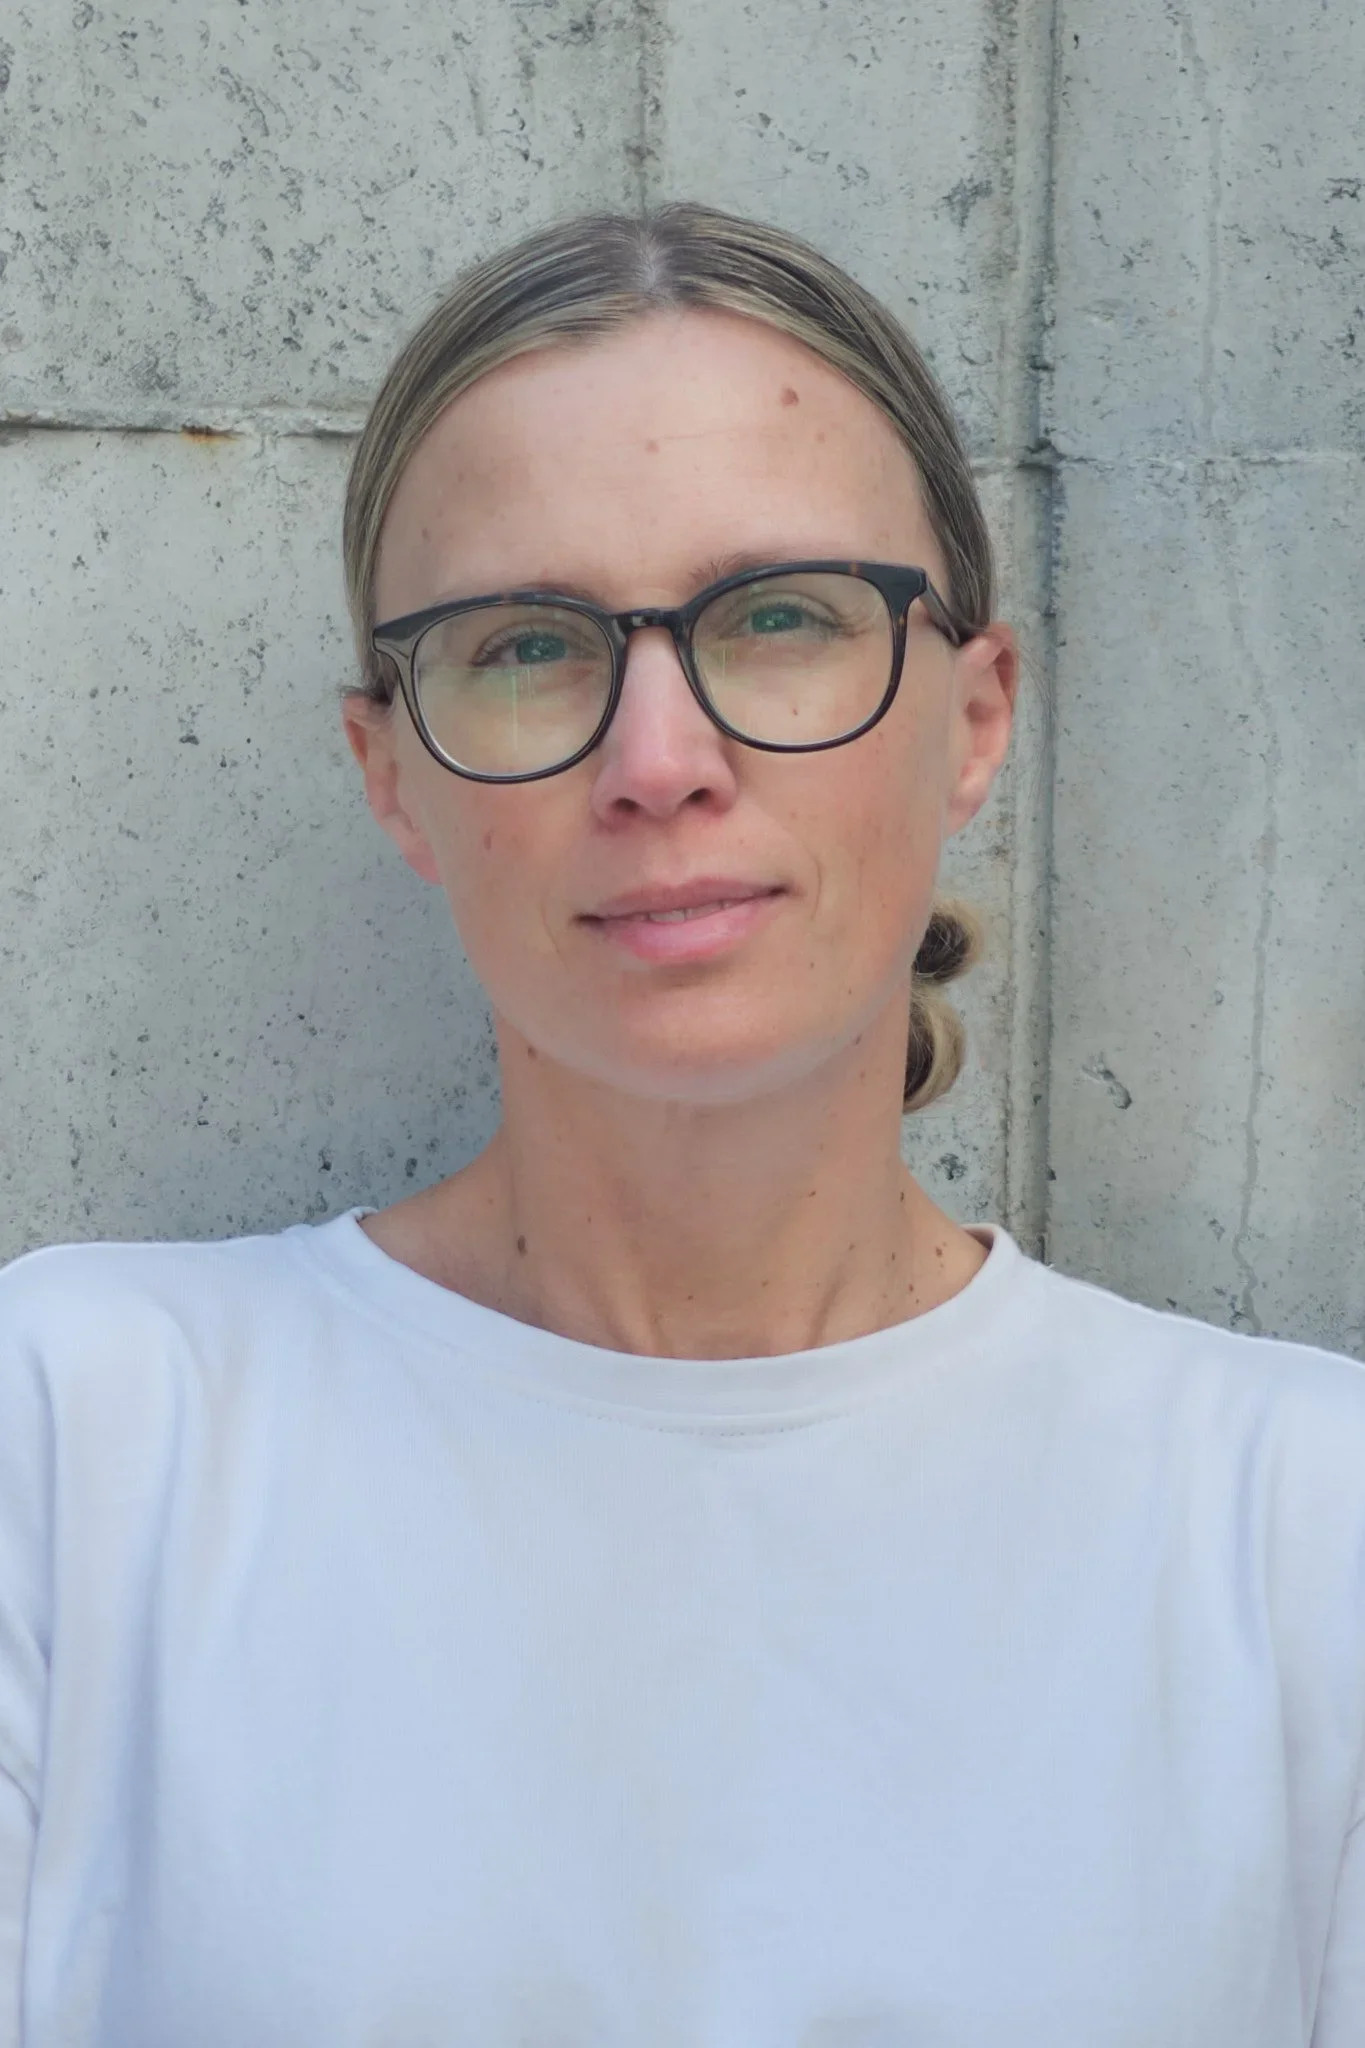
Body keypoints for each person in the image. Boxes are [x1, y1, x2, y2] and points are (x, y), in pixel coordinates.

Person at [0, 203, 1361, 2047]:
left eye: (780, 618)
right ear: (389, 769)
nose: (659, 759)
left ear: (975, 718)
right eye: (526, 642)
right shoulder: (83, 1448)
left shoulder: (1296, 1527)